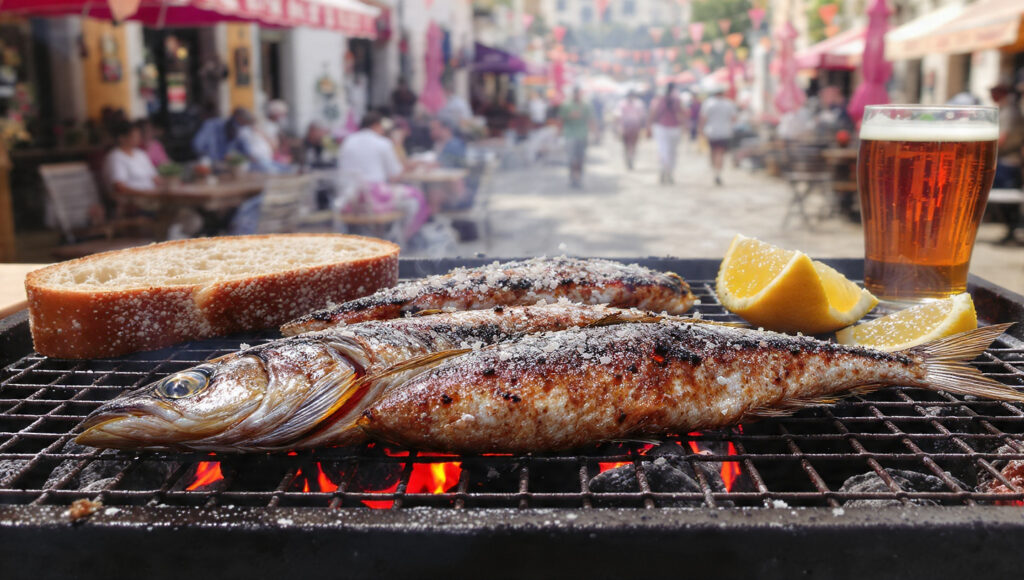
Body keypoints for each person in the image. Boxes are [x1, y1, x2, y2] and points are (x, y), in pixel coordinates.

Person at [338, 112, 430, 240]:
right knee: (415, 199)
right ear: (375, 125)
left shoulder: (348, 141)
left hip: (348, 199)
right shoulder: (383, 143)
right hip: (372, 199)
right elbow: (395, 175)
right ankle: (404, 239)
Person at [105, 120, 159, 195]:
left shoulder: (141, 154)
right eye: (134, 136)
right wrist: (146, 193)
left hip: (151, 196)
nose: (138, 139)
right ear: (121, 138)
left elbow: (155, 178)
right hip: (133, 200)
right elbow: (120, 187)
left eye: (138, 136)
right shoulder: (115, 157)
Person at [699, 85, 738, 186]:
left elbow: (703, 118)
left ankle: (715, 171)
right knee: (720, 152)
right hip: (725, 131)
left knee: (713, 152)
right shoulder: (729, 104)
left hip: (712, 131)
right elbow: (734, 119)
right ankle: (718, 172)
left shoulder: (708, 103)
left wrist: (701, 130)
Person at [648, 82, 685, 184]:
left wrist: (649, 126)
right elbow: (681, 114)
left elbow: (653, 113)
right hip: (673, 128)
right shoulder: (676, 100)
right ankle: (669, 171)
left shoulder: (659, 100)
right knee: (672, 152)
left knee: (663, 151)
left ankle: (664, 169)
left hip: (662, 128)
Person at [558, 87, 593, 189]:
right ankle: (572, 176)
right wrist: (559, 132)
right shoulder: (566, 105)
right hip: (569, 134)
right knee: (571, 158)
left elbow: (590, 119)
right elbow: (561, 119)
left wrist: (595, 132)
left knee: (581, 158)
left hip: (582, 134)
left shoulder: (586, 105)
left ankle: (579, 176)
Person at [992, 83, 1024, 190]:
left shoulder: (1009, 112)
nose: (991, 95)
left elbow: (1001, 140)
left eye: (994, 91)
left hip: (1007, 163)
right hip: (1006, 162)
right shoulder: (1007, 109)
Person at [615, 91, 647, 170]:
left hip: (634, 127)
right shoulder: (622, 104)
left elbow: (642, 116)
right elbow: (618, 116)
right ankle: (629, 158)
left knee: (633, 144)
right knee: (627, 144)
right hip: (626, 127)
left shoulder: (638, 104)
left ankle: (630, 158)